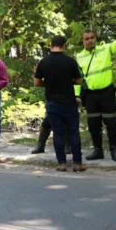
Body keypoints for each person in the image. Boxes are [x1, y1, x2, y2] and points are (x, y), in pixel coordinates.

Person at [74, 20, 116, 161]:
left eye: (92, 37)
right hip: (91, 95)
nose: (90, 40)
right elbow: (77, 78)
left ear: (96, 38)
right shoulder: (79, 57)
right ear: (82, 41)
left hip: (107, 93)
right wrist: (76, 95)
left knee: (112, 123)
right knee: (93, 124)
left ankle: (114, 151)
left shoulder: (105, 49)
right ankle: (98, 151)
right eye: (86, 39)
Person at [33, 35, 86, 172]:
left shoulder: (43, 62)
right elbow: (79, 81)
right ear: (64, 46)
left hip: (52, 102)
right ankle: (77, 164)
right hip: (69, 102)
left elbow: (37, 82)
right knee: (73, 132)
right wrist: (68, 82)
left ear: (51, 46)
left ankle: (61, 164)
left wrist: (49, 83)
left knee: (57, 133)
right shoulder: (70, 61)